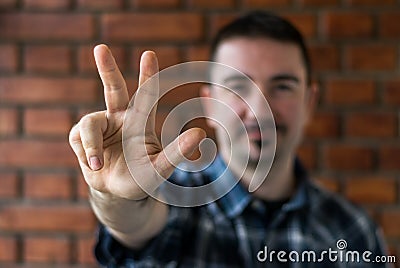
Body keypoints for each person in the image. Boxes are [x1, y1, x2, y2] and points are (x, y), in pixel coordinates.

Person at [69, 11, 389, 267]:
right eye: (238, 86)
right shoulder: (172, 199)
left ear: (309, 103)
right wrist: (120, 199)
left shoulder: (353, 232)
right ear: (209, 103)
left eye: (283, 86)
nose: (260, 108)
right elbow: (135, 225)